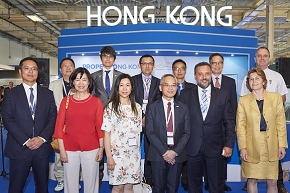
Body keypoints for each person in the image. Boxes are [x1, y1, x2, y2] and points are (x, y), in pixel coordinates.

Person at [2, 57, 57, 193]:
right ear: (20, 72)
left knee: (42, 187)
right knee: (15, 187)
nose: (31, 72)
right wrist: (26, 140)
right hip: (19, 148)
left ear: (38, 72)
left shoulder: (48, 94)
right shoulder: (10, 93)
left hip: (41, 148)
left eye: (34, 69)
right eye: (27, 68)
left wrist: (41, 138)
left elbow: (52, 118)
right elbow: (7, 119)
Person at [179, 62, 235, 193]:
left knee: (216, 185)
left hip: (216, 147)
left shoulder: (223, 94)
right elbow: (180, 123)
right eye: (200, 74)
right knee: (193, 186)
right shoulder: (185, 94)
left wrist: (229, 144)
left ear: (211, 75)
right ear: (194, 76)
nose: (204, 77)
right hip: (192, 147)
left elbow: (230, 122)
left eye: (207, 73)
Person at [240, 47, 289, 193]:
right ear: (248, 82)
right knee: (252, 179)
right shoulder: (243, 100)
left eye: (258, 79)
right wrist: (242, 146)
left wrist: (282, 145)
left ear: (264, 81)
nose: (254, 81)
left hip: (271, 143)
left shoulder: (275, 96)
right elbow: (241, 125)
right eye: (251, 79)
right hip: (251, 142)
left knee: (273, 181)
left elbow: (281, 123)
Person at [54, 67, 104, 193]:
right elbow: (59, 126)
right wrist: (62, 150)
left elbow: (100, 127)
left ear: (89, 82)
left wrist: (101, 148)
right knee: (70, 183)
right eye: (77, 80)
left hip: (92, 148)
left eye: (84, 80)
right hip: (69, 148)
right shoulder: (66, 101)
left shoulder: (96, 102)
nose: (81, 83)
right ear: (73, 82)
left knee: (91, 183)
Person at [146, 74, 190, 193]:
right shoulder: (152, 107)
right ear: (161, 87)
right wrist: (165, 152)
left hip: (177, 154)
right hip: (158, 154)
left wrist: (174, 152)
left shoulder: (183, 107)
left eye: (173, 85)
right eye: (167, 85)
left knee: (173, 188)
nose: (170, 88)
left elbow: (186, 132)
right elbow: (149, 132)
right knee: (158, 188)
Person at [102, 74, 142, 193]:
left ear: (131, 88)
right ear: (117, 88)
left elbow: (138, 132)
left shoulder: (138, 107)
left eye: (127, 85)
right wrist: (109, 156)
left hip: (133, 155)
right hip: (116, 155)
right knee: (118, 187)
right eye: (121, 85)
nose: (124, 89)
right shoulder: (111, 107)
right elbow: (106, 133)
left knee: (130, 187)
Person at [204, 53, 237, 191]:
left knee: (224, 154)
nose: (217, 65)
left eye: (219, 63)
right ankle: (208, 180)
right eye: (214, 63)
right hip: (209, 127)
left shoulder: (230, 82)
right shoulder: (204, 80)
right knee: (208, 154)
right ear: (210, 65)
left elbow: (234, 104)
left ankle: (222, 180)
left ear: (223, 64)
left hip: (225, 126)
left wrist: (234, 124)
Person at [91, 46, 123, 186]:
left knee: (116, 153)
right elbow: (91, 98)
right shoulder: (93, 76)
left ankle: (117, 182)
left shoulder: (122, 76)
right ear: (101, 58)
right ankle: (97, 182)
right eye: (105, 56)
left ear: (114, 59)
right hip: (97, 122)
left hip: (117, 122)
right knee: (98, 153)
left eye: (110, 56)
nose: (108, 58)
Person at [132, 54, 161, 186]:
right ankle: (134, 176)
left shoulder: (158, 82)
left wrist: (147, 117)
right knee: (133, 149)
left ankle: (149, 178)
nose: (147, 66)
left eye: (150, 63)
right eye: (144, 63)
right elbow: (130, 100)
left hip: (151, 122)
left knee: (150, 151)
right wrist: (139, 115)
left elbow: (158, 102)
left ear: (154, 66)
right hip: (134, 120)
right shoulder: (132, 80)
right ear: (139, 65)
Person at [49, 57, 77, 191]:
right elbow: (49, 107)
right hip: (59, 125)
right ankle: (60, 179)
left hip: (76, 126)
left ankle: (75, 179)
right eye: (64, 66)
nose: (67, 68)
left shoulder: (80, 84)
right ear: (60, 70)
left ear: (74, 69)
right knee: (59, 153)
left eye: (70, 65)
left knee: (75, 154)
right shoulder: (53, 85)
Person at [171, 59, 195, 191]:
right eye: (176, 68)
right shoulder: (167, 88)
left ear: (186, 71)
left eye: (182, 68)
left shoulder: (193, 88)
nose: (179, 71)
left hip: (188, 127)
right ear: (173, 71)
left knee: (187, 154)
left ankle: (186, 180)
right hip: (171, 128)